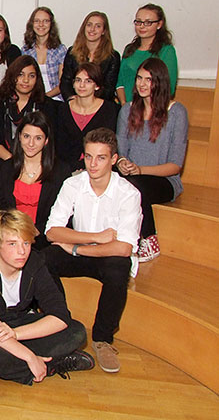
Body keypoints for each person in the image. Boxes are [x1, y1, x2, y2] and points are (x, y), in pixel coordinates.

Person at [0, 210, 94, 391]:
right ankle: (51, 366)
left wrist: (15, 334)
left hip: (17, 322)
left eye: (26, 243)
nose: (21, 251)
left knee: (77, 332)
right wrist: (29, 356)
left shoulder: (35, 263)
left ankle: (4, 367)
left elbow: (60, 315)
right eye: (12, 244)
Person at [44, 128, 142, 374]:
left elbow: (123, 247)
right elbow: (52, 232)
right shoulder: (73, 184)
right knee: (44, 258)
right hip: (83, 249)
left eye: (101, 158)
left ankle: (102, 339)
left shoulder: (128, 193)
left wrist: (77, 248)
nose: (93, 164)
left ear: (114, 159)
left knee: (119, 268)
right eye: (88, 156)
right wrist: (94, 238)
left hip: (107, 256)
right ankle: (61, 322)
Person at [116, 58, 188, 262]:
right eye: (139, 78)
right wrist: (122, 163)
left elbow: (175, 166)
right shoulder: (127, 110)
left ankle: (149, 238)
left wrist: (140, 169)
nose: (142, 84)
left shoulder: (176, 112)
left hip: (164, 181)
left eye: (149, 79)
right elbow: (121, 152)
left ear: (160, 82)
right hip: (131, 176)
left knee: (133, 186)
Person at [0, 112, 68, 249]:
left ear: (46, 140)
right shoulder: (6, 167)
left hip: (45, 239)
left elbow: (63, 212)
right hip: (10, 236)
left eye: (38, 138)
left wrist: (38, 230)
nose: (31, 143)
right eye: (26, 136)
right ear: (19, 136)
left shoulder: (60, 170)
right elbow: (1, 206)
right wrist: (15, 229)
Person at [0, 55, 58, 161]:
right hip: (4, 161)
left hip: (37, 162)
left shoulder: (47, 105)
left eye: (31, 76)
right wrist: (11, 161)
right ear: (12, 76)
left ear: (37, 79)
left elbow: (50, 141)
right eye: (20, 75)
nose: (26, 80)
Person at [56, 62, 120, 171]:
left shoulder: (110, 110)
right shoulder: (63, 109)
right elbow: (59, 147)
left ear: (97, 86)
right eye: (78, 80)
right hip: (67, 170)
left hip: (99, 168)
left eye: (88, 81)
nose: (82, 85)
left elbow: (110, 145)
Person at [117, 3, 177, 105]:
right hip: (126, 107)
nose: (142, 26)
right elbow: (120, 83)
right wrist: (124, 105)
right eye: (138, 22)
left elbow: (168, 87)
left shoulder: (166, 51)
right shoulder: (129, 49)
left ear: (159, 24)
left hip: (152, 108)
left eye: (148, 23)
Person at [60, 11, 120, 102]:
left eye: (98, 26)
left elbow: (109, 88)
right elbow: (65, 82)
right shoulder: (72, 52)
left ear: (104, 31)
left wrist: (90, 102)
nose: (92, 29)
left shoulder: (113, 57)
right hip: (74, 102)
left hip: (100, 104)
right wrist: (72, 99)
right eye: (89, 25)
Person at [22, 7, 67, 100]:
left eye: (45, 21)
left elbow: (62, 84)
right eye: (37, 21)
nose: (41, 24)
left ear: (51, 24)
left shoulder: (60, 50)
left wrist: (44, 97)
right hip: (33, 99)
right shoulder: (26, 50)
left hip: (55, 99)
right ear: (32, 24)